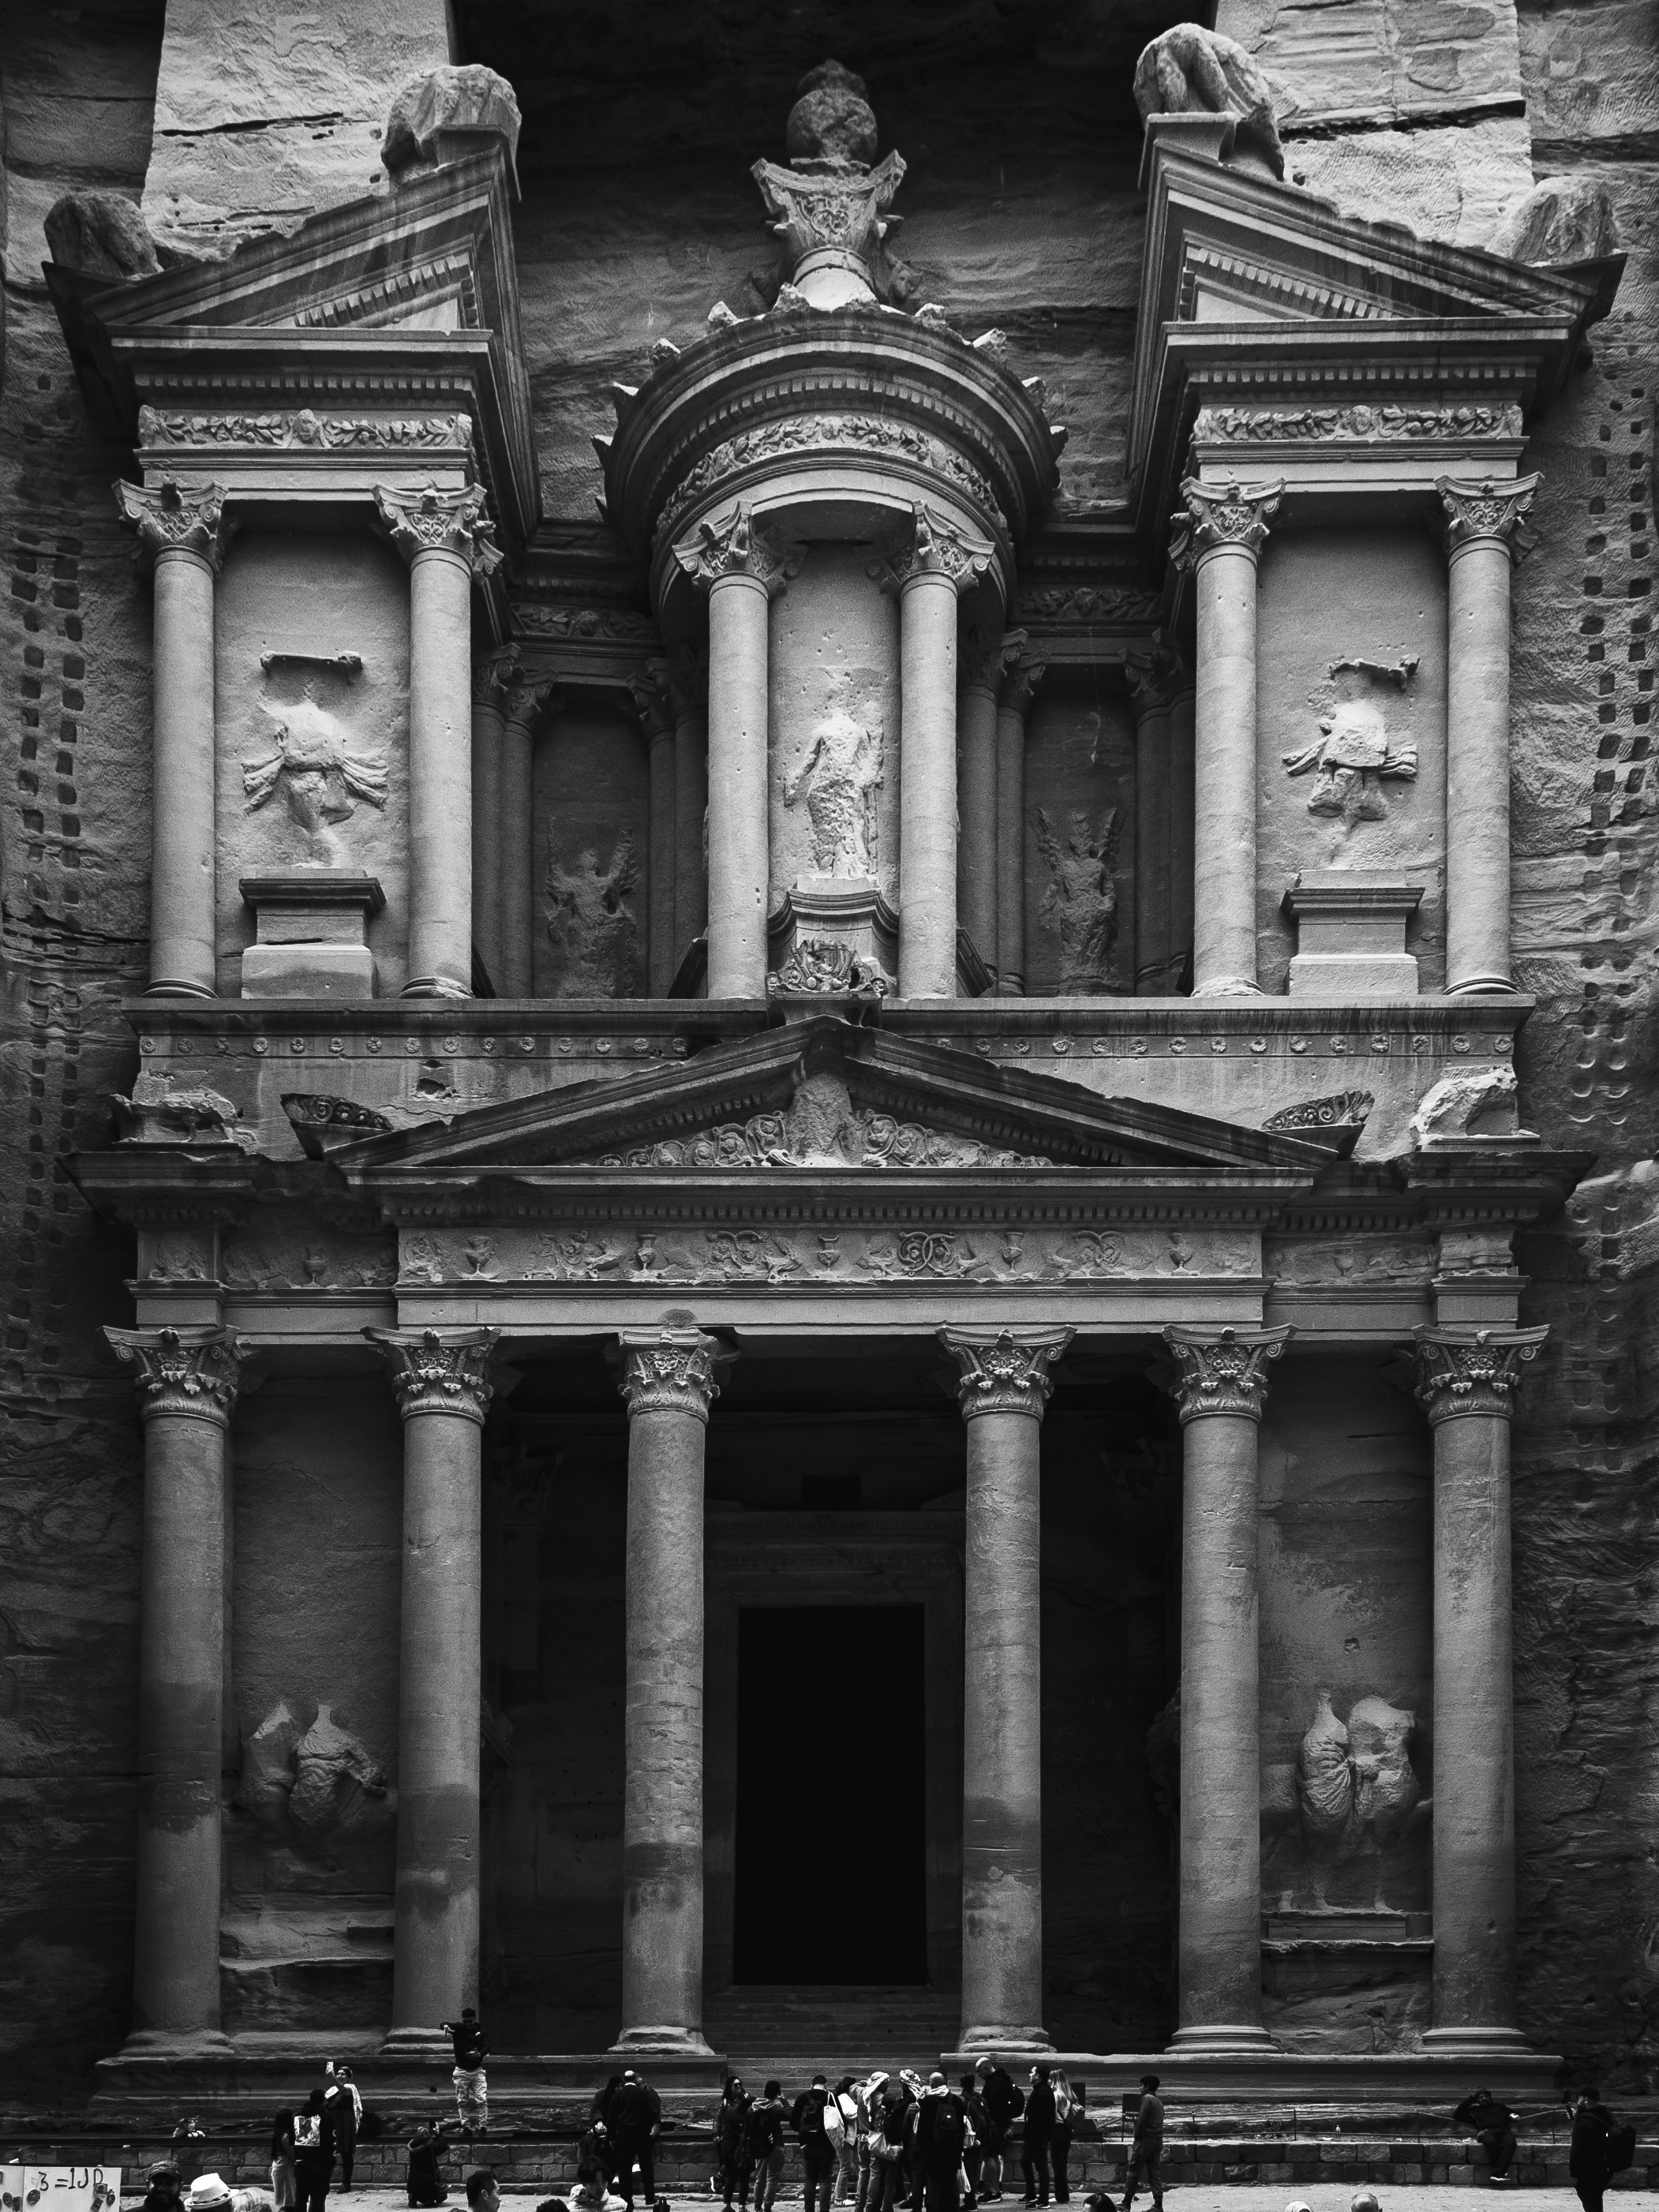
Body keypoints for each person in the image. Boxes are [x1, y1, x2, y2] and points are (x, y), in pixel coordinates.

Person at [607, 2065, 664, 2210]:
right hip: (641, 2135)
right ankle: (650, 2197)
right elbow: (652, 2113)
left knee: (624, 2169)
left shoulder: (617, 2095)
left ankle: (627, 2200)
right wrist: (648, 2127)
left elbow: (611, 2119)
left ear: (624, 2080)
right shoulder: (643, 2094)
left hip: (624, 2136)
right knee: (646, 2166)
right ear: (634, 2079)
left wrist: (612, 2137)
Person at [914, 2072, 970, 2212]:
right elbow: (962, 2127)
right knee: (951, 2182)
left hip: (933, 2152)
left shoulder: (927, 2102)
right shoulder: (957, 2101)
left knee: (934, 2183)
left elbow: (922, 2131)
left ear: (932, 2084)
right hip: (953, 2150)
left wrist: (923, 2149)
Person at [974, 2064, 1021, 2203]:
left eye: (979, 2071)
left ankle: (994, 2191)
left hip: (994, 2126)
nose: (979, 2075)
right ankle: (994, 2190)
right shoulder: (1000, 2080)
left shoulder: (995, 2082)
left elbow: (992, 2106)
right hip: (999, 2125)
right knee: (994, 2156)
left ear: (986, 2067)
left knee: (990, 2157)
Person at [864, 2076, 909, 2212]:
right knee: (890, 2182)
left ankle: (874, 2206)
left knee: (879, 2180)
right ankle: (887, 2207)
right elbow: (893, 2137)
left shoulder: (878, 2116)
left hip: (878, 2153)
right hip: (890, 2153)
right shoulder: (892, 2118)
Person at [1455, 2088, 1519, 2185]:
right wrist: (1471, 2099)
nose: (1484, 2099)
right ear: (1477, 2100)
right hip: (1486, 2132)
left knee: (1511, 2143)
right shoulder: (1474, 2110)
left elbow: (1511, 2113)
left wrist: (1513, 2115)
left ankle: (1497, 2173)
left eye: (1486, 2096)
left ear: (1490, 2098)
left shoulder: (1499, 2106)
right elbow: (1457, 2115)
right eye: (1481, 2097)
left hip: (1504, 2131)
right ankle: (1499, 2172)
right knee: (1491, 2142)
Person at [442, 2009, 490, 2138]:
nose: (468, 2024)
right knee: (462, 2101)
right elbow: (444, 2024)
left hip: (477, 2070)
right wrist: (445, 2027)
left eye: (470, 2021)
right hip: (461, 2070)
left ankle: (482, 2126)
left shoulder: (481, 2030)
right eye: (465, 2021)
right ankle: (466, 2127)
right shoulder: (459, 2028)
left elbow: (487, 2046)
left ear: (475, 2019)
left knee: (482, 2099)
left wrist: (479, 2054)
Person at [1569, 2085, 1615, 2212]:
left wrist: (1574, 2173)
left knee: (1591, 2203)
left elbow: (1576, 2149)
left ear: (1585, 2099)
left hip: (1587, 2171)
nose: (1577, 2102)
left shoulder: (1584, 2121)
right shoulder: (1606, 2114)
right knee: (1595, 2200)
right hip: (1605, 2167)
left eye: (1579, 2099)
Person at [1120, 2077, 1163, 2212]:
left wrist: (1137, 2136)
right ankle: (1158, 2204)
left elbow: (1142, 2120)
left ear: (1147, 2087)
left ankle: (1126, 2202)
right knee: (1154, 2172)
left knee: (1133, 2171)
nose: (1140, 2088)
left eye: (1142, 2085)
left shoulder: (1146, 2099)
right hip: (1157, 2139)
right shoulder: (1159, 2101)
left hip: (1145, 2140)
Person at [747, 2080, 790, 2212]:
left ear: (764, 2091)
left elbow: (747, 2128)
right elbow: (791, 2115)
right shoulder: (776, 2109)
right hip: (775, 2145)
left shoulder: (752, 2108)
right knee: (772, 2178)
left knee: (760, 2178)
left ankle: (757, 2207)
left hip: (759, 2146)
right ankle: (767, 2207)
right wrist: (784, 2100)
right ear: (777, 2093)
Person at [796, 2075, 837, 2212]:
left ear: (811, 2084)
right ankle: (824, 2210)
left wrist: (804, 2135)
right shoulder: (831, 2097)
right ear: (826, 2084)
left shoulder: (802, 2098)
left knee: (810, 2179)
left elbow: (793, 2123)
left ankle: (809, 2210)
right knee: (825, 2178)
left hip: (807, 2144)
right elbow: (840, 2121)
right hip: (827, 2144)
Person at [1020, 2067, 1056, 2210]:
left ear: (1039, 2076)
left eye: (1033, 2072)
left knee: (1041, 2166)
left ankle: (1043, 2199)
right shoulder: (1039, 2090)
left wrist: (1034, 2131)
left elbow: (1043, 2118)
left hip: (1038, 2136)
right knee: (1025, 2161)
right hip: (1033, 2136)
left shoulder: (1044, 2092)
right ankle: (1031, 2194)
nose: (1030, 2074)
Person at [716, 2078, 754, 2210]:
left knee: (732, 2176)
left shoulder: (730, 2111)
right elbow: (718, 2119)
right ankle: (742, 2207)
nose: (739, 2086)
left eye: (740, 2084)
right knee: (743, 2177)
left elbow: (721, 2119)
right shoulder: (745, 2115)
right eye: (736, 2085)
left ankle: (727, 2205)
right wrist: (715, 2134)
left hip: (728, 2144)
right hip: (740, 2147)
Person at [294, 2091, 336, 2212]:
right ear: (324, 2101)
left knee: (300, 2197)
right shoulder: (326, 2118)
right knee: (318, 2198)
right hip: (320, 2164)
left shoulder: (298, 2116)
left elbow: (292, 2140)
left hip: (301, 2163)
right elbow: (331, 2142)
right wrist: (331, 2162)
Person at [323, 2072, 358, 2193]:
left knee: (345, 2153)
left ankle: (346, 2184)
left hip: (343, 2123)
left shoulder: (349, 2088)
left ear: (348, 2077)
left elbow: (343, 2090)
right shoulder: (331, 2091)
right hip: (331, 2123)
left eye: (343, 2074)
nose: (339, 2075)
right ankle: (324, 2183)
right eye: (338, 2073)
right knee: (327, 2153)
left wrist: (331, 2076)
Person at [830, 2076, 860, 2209]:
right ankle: (840, 2199)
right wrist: (860, 2107)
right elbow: (848, 2113)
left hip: (847, 2138)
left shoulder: (844, 2098)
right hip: (845, 2138)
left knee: (845, 2168)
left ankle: (837, 2196)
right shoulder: (844, 2098)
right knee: (846, 2168)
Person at [961, 2075, 990, 2210]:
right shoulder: (979, 2098)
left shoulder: (963, 2100)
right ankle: (971, 2199)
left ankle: (970, 2201)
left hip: (967, 2140)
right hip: (979, 2139)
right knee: (974, 2168)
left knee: (968, 2171)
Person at [1049, 2075, 1077, 2206]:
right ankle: (1063, 2194)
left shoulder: (1056, 2095)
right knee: (1062, 2163)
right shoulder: (1069, 2096)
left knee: (1057, 2164)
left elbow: (1051, 2115)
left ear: (1055, 2080)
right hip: (1066, 2131)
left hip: (1057, 2130)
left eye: (1050, 2079)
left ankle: (1061, 2195)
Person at [407, 2126, 447, 2209]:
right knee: (430, 2187)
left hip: (415, 2176)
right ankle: (429, 2201)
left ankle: (413, 2201)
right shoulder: (431, 2147)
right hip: (429, 2177)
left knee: (415, 2186)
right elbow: (443, 2146)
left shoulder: (413, 2144)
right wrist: (439, 2135)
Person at [272, 2113, 298, 2211]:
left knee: (281, 2199)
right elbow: (293, 2154)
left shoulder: (278, 2135)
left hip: (278, 2167)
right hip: (285, 2169)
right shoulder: (285, 2137)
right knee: (289, 2199)